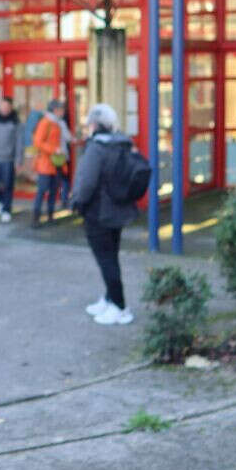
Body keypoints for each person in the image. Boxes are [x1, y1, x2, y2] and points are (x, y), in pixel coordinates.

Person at [70, 103, 139, 325]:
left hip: (98, 213)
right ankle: (109, 298)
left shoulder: (97, 148)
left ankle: (120, 306)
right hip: (118, 211)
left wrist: (76, 202)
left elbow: (86, 182)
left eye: (89, 122)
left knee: (106, 260)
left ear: (95, 124)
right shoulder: (122, 143)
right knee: (111, 257)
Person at [29, 99, 65, 227]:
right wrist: (54, 149)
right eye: (61, 109)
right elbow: (38, 142)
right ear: (55, 110)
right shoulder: (46, 123)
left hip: (56, 163)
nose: (63, 112)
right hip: (45, 164)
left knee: (54, 190)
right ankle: (35, 218)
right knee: (42, 190)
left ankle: (50, 216)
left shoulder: (57, 123)